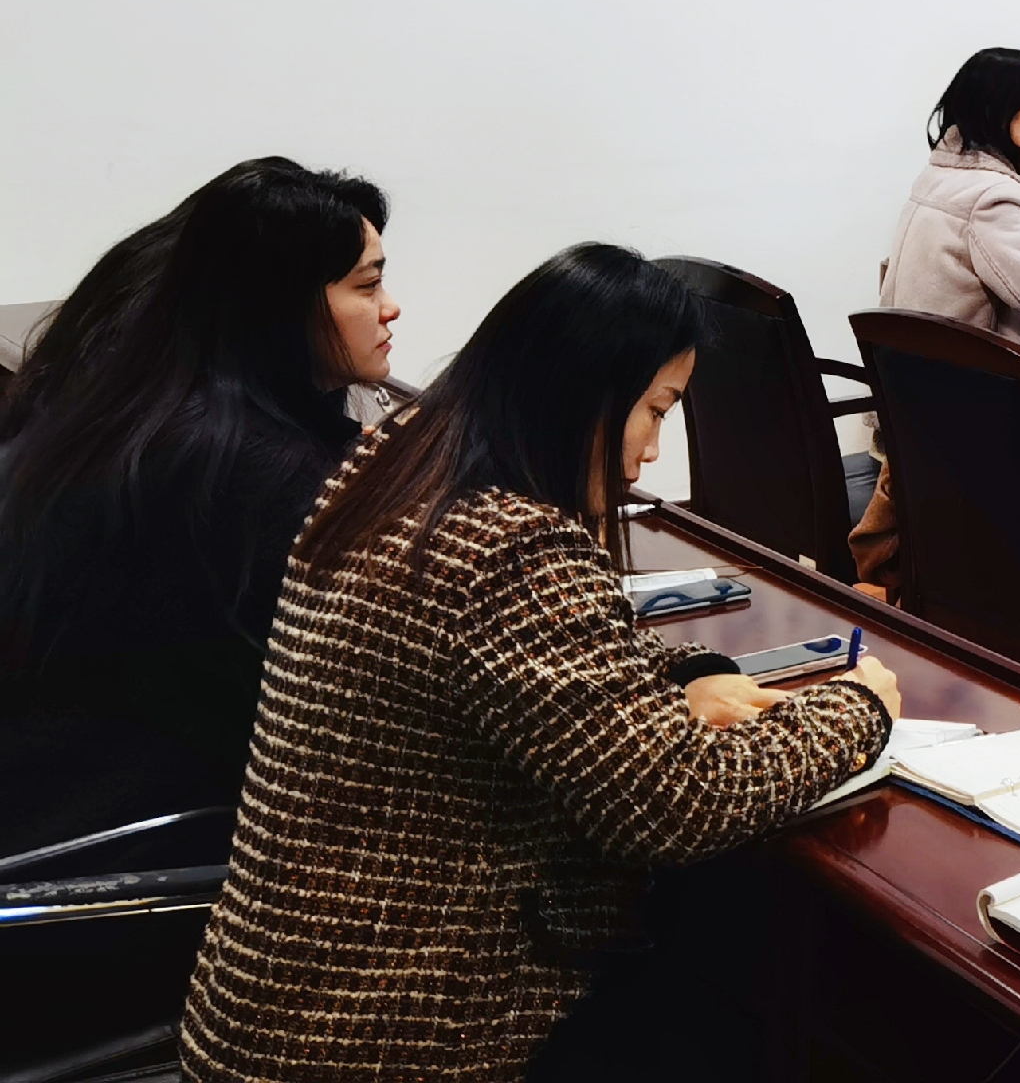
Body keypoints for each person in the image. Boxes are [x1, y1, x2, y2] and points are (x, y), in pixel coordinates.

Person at [177, 245, 899, 1083]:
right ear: (587, 393)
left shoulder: (400, 462)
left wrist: (681, 676)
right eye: (655, 410)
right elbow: (676, 804)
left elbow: (540, 657)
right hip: (390, 1037)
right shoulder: (509, 545)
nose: (651, 451)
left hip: (272, 1010)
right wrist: (859, 708)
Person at [0, 159, 399, 854]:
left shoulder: (142, 417)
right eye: (367, 285)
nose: (391, 308)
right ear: (281, 303)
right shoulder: (258, 475)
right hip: (145, 836)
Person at [853, 46, 1020, 584]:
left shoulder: (942, 175)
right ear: (1001, 108)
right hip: (976, 414)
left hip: (921, 403)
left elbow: (1017, 261)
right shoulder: (992, 198)